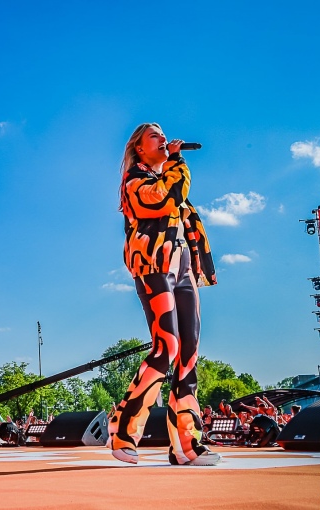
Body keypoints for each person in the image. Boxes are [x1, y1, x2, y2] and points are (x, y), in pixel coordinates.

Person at [109, 123, 220, 466]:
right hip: (153, 264)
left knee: (189, 352)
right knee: (167, 345)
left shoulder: (167, 177)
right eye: (154, 135)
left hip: (183, 265)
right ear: (139, 148)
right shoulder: (135, 181)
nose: (163, 138)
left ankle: (186, 444)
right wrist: (176, 160)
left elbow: (182, 211)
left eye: (163, 135)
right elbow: (166, 198)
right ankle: (123, 428)